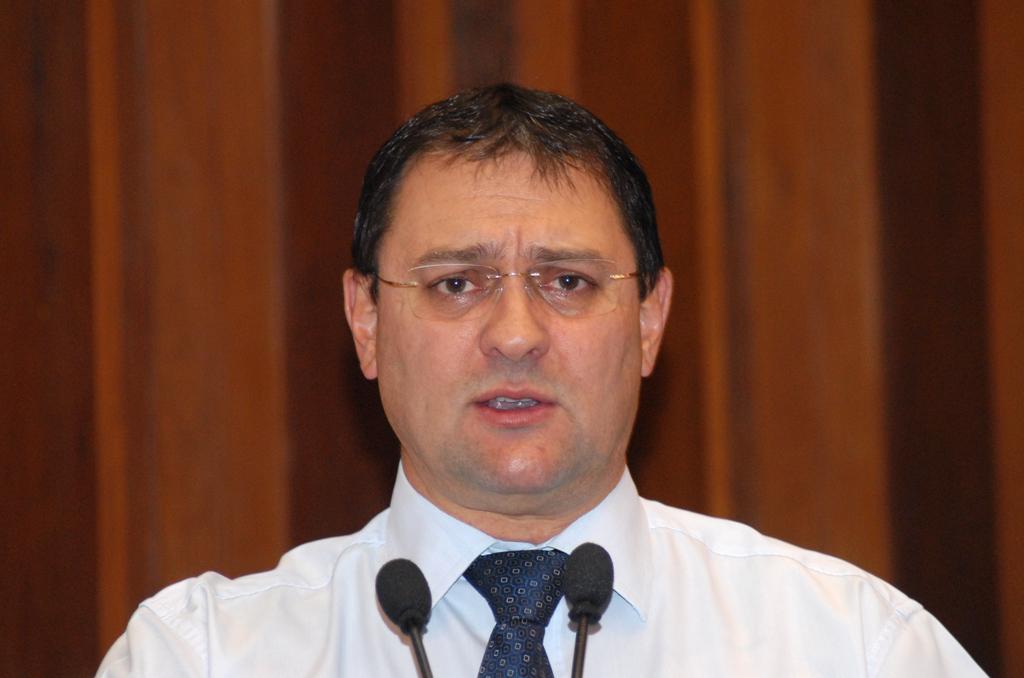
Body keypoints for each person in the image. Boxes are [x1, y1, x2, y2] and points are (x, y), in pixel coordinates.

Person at [97, 84, 985, 677]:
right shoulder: (201, 658)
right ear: (366, 320)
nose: (516, 335)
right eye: (457, 284)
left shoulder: (851, 649)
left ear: (650, 319)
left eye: (568, 282)